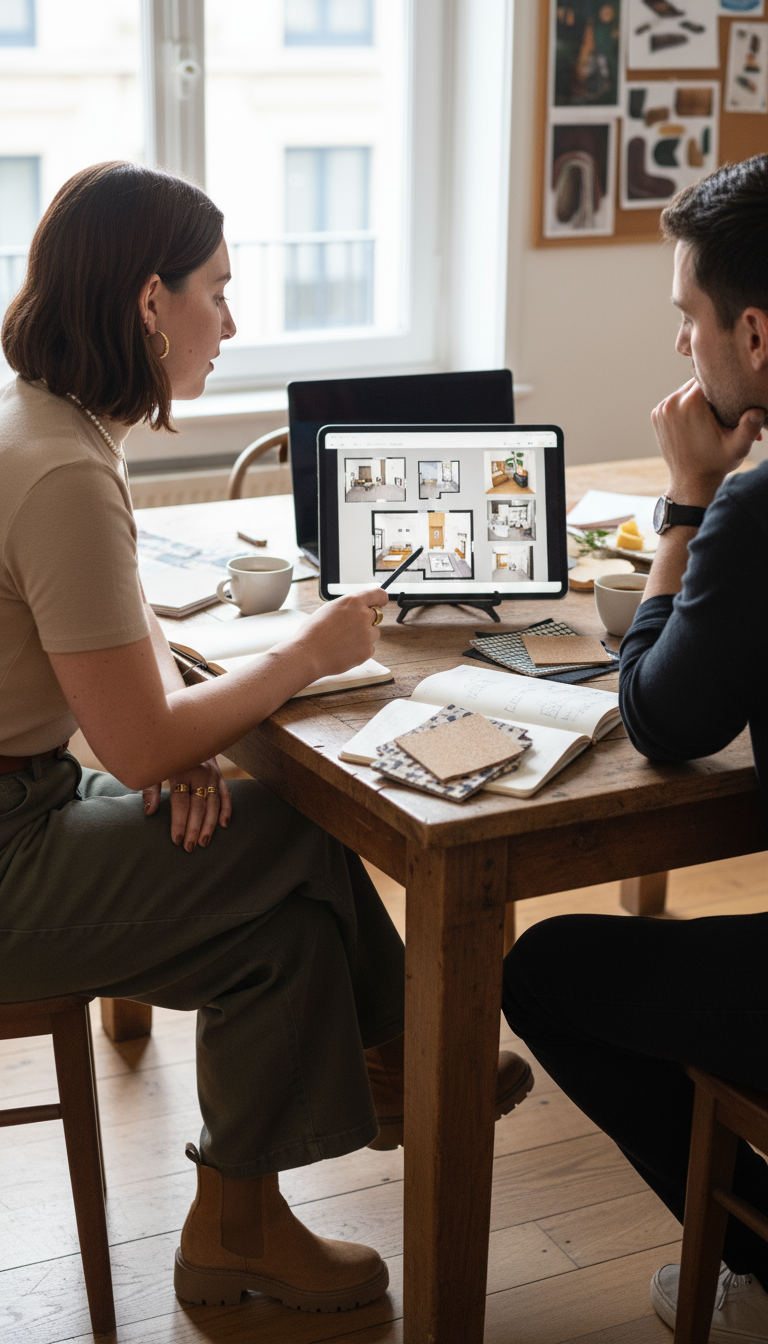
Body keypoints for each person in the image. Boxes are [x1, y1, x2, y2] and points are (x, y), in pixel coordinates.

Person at [0, 161, 534, 1317]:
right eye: (217, 291)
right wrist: (306, 656)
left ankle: (239, 1232)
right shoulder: (58, 470)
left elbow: (118, 648)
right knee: (293, 825)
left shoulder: (51, 427)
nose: (231, 322)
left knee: (287, 934)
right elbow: (135, 744)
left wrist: (176, 732)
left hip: (31, 799)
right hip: (9, 854)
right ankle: (399, 1059)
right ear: (151, 302)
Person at [503, 153, 768, 1341]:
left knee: (544, 971)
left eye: (685, 318)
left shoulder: (754, 516)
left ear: (751, 335)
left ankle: (757, 1262)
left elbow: (661, 720)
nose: (680, 348)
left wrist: (687, 504)